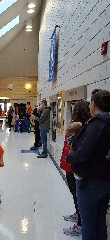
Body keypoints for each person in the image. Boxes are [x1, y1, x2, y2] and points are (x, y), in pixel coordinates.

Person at [66, 89, 110, 240]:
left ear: (93, 104)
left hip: (91, 179)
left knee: (89, 225)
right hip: (105, 178)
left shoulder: (97, 123)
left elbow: (84, 152)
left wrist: (69, 157)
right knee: (100, 222)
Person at [60, 100, 91, 237]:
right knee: (75, 195)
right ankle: (78, 214)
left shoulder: (81, 127)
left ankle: (80, 224)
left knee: (78, 196)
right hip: (70, 165)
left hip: (74, 166)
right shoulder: (85, 127)